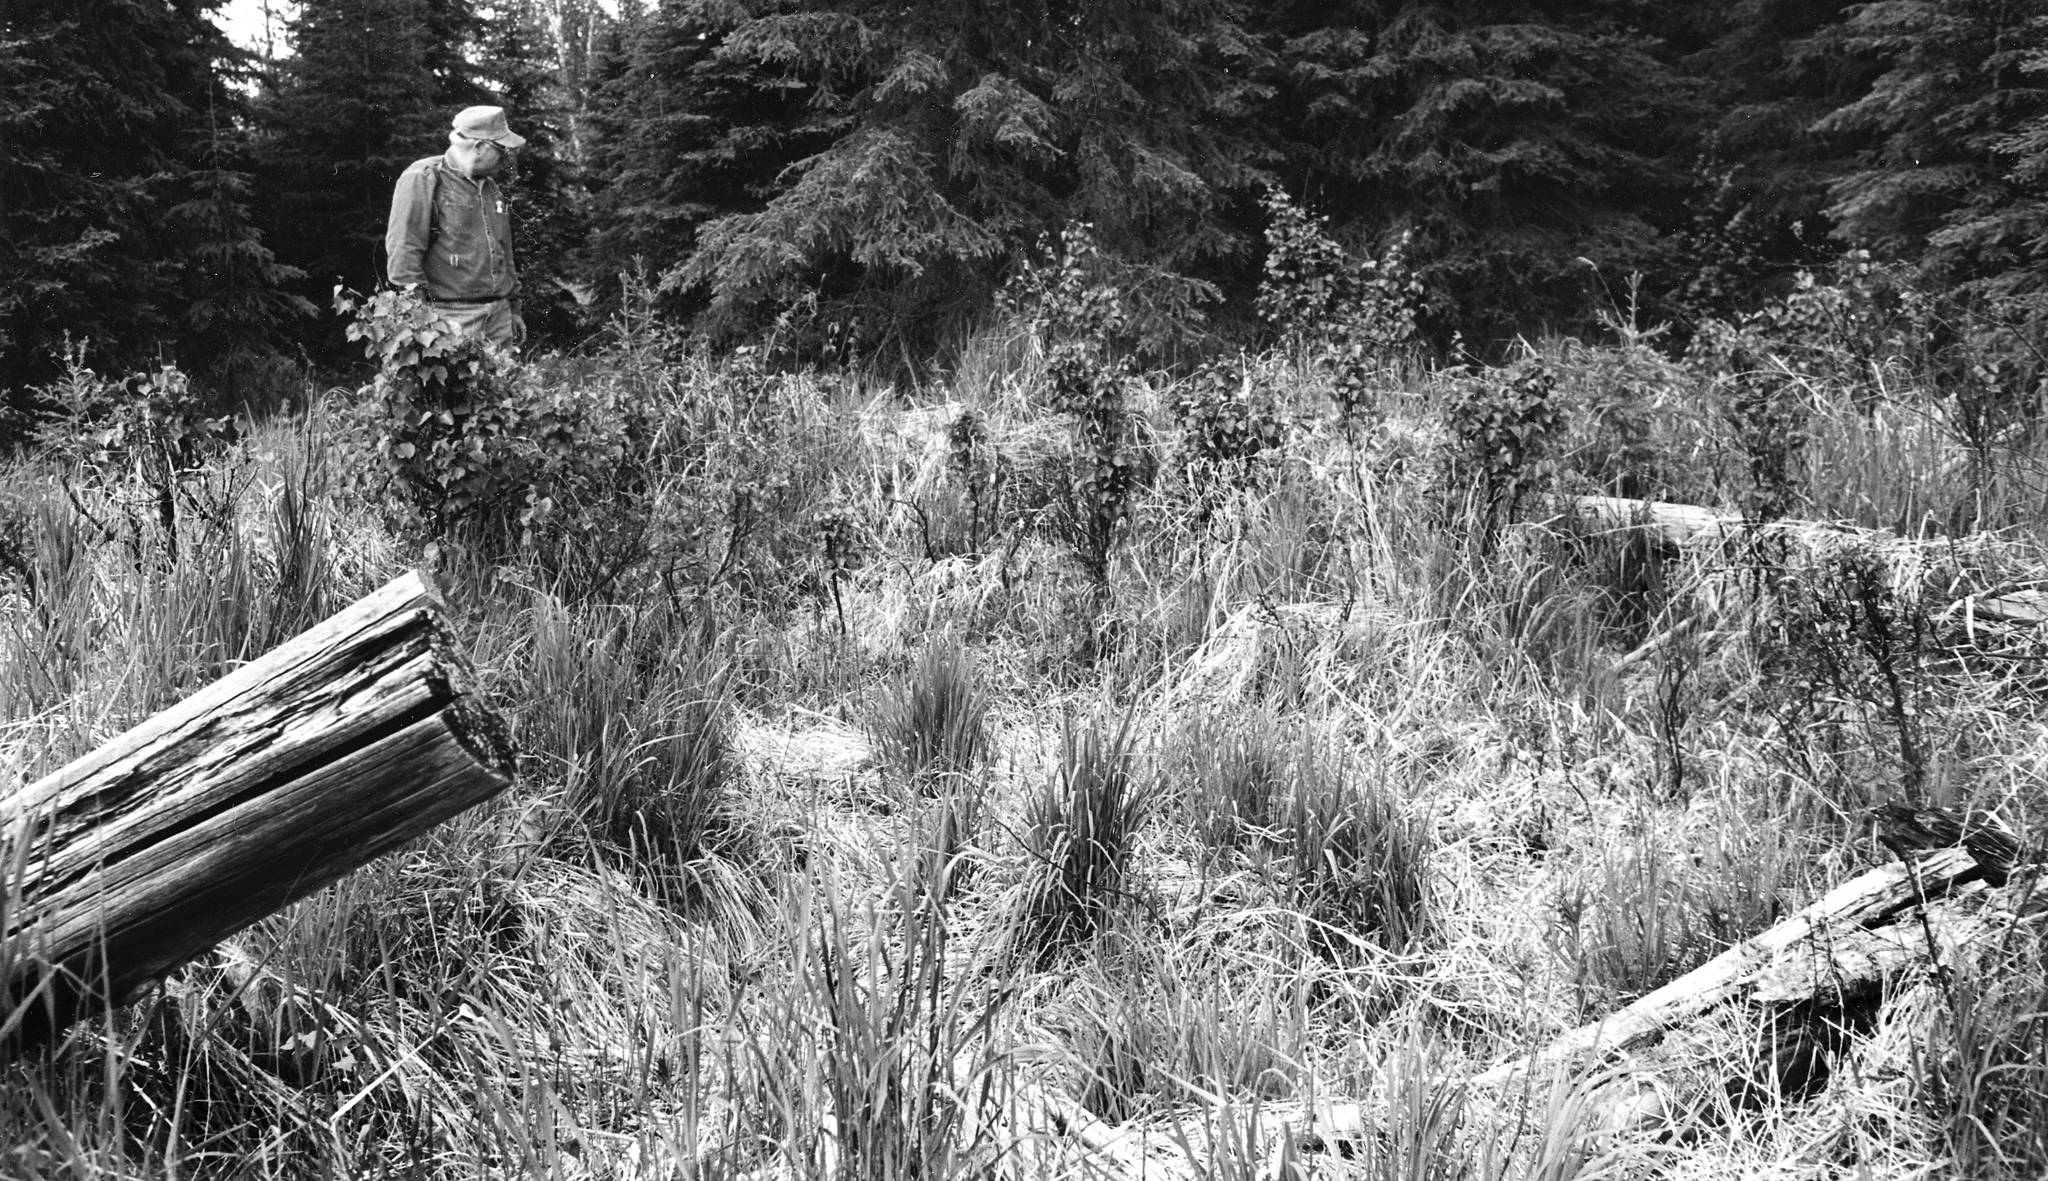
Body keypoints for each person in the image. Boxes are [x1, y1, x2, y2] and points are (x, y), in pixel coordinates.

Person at [385, 106, 527, 348]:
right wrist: (420, 321)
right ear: (480, 147)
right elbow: (403, 254)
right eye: (502, 150)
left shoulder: (493, 190)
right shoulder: (424, 178)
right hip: (449, 320)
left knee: (503, 385)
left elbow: (505, 253)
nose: (507, 158)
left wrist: (513, 308)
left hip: (498, 318)